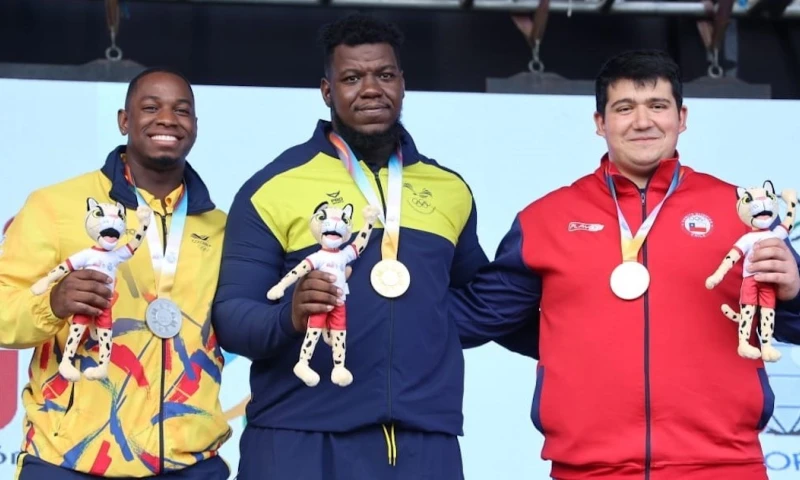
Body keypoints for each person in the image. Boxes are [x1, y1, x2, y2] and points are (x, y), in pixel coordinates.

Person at [211, 13, 535, 480]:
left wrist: (429, 325)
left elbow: (472, 300)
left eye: (384, 75)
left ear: (403, 83)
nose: (370, 89)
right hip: (299, 436)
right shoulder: (273, 187)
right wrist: (290, 315)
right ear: (327, 91)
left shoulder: (449, 189)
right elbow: (232, 318)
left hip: (422, 440)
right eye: (351, 77)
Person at [450, 49, 800, 480]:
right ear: (600, 123)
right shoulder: (546, 219)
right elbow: (479, 316)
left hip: (724, 465)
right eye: (624, 108)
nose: (642, 121)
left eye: (657, 106)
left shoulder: (741, 213)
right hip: (589, 469)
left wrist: (795, 291)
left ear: (682, 117)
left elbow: (792, 323)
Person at [0, 67, 232, 479]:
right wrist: (52, 303)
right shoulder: (55, 206)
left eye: (181, 110)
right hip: (69, 460)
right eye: (150, 107)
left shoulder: (220, 227)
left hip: (189, 461)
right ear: (124, 120)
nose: (167, 119)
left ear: (195, 126)